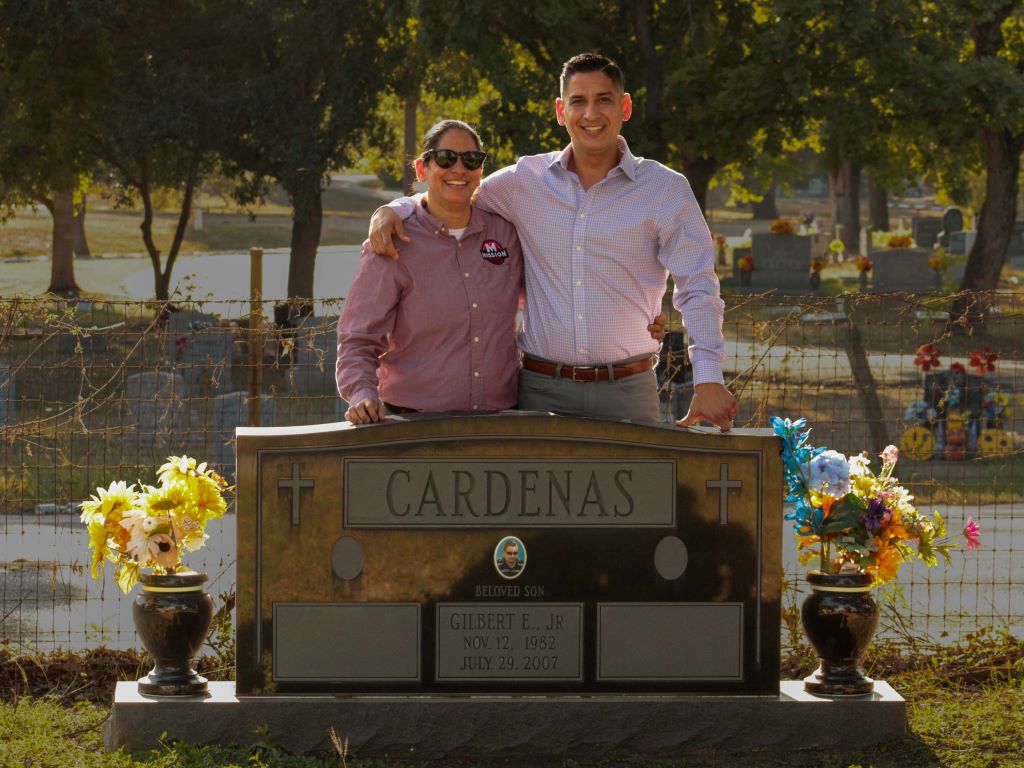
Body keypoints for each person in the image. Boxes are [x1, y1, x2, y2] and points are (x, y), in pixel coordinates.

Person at [369, 53, 737, 430]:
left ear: (624, 107)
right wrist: (396, 208)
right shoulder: (524, 182)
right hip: (540, 392)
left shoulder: (665, 190)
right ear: (561, 111)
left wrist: (708, 377)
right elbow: (456, 191)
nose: (590, 113)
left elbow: (698, 286)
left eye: (603, 100)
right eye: (578, 101)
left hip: (628, 390)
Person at [336, 120, 523, 423]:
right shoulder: (391, 243)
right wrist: (362, 393)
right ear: (422, 169)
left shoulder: (507, 235)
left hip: (499, 422)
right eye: (447, 158)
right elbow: (358, 339)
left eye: (472, 160)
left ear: (481, 171)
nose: (459, 169)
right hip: (415, 426)